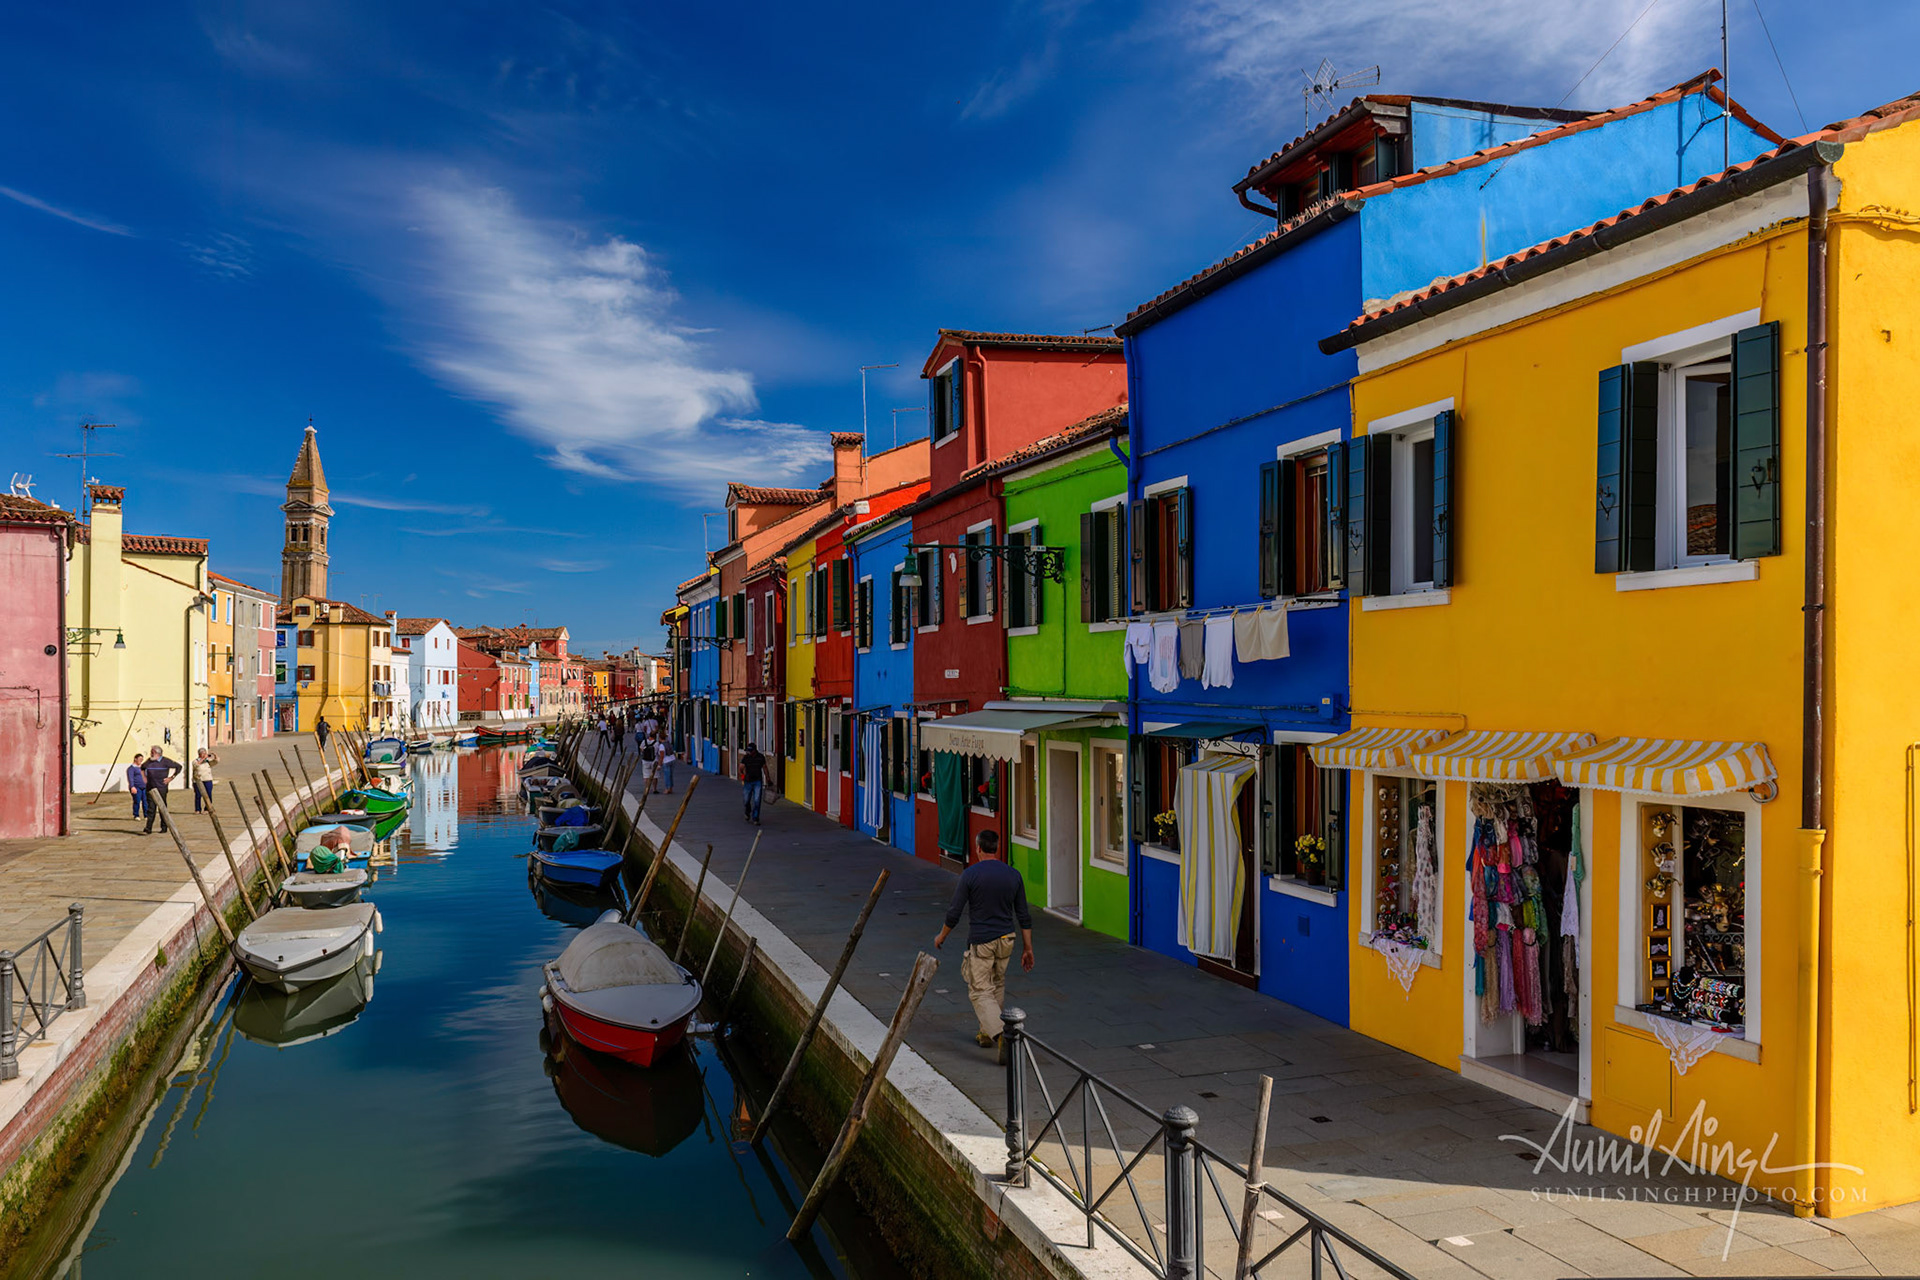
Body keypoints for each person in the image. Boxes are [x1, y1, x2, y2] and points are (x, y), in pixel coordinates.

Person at [935, 830, 1035, 1052]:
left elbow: (954, 912)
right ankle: (986, 1033)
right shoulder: (1013, 875)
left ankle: (1001, 1034)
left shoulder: (970, 875)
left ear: (978, 848)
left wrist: (942, 936)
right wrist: (1028, 948)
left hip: (982, 941)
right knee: (996, 984)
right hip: (1007, 939)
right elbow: (1023, 915)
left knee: (979, 990)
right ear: (996, 848)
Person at [141, 746, 182, 835]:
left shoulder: (165, 761)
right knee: (151, 809)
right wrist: (144, 777)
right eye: (151, 752)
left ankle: (164, 827)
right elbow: (142, 767)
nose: (151, 754)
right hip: (150, 788)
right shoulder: (149, 761)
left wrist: (171, 778)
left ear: (158, 753)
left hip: (161, 788)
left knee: (162, 808)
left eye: (152, 752)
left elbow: (179, 767)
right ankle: (148, 828)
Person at [740, 742, 767, 825]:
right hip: (748, 781)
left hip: (757, 781)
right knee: (746, 800)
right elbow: (741, 767)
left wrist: (768, 779)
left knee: (757, 800)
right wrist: (742, 776)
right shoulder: (746, 758)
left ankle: (755, 818)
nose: (749, 752)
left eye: (750, 751)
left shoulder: (761, 757)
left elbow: (765, 768)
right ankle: (747, 811)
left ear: (755, 751)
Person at [191, 747, 219, 812]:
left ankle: (207, 808)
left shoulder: (207, 761)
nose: (204, 754)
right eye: (202, 753)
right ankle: (198, 809)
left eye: (205, 753)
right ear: (199, 754)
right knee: (198, 795)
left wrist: (215, 756)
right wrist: (203, 758)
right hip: (198, 781)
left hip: (207, 779)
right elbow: (196, 765)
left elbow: (215, 762)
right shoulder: (195, 761)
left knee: (209, 794)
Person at [127, 753, 148, 819]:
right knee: (137, 801)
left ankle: (146, 815)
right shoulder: (131, 768)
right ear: (135, 759)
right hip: (136, 787)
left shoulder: (142, 767)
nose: (141, 760)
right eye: (140, 759)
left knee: (145, 801)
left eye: (142, 759)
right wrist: (132, 786)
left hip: (144, 787)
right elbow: (130, 778)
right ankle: (136, 815)